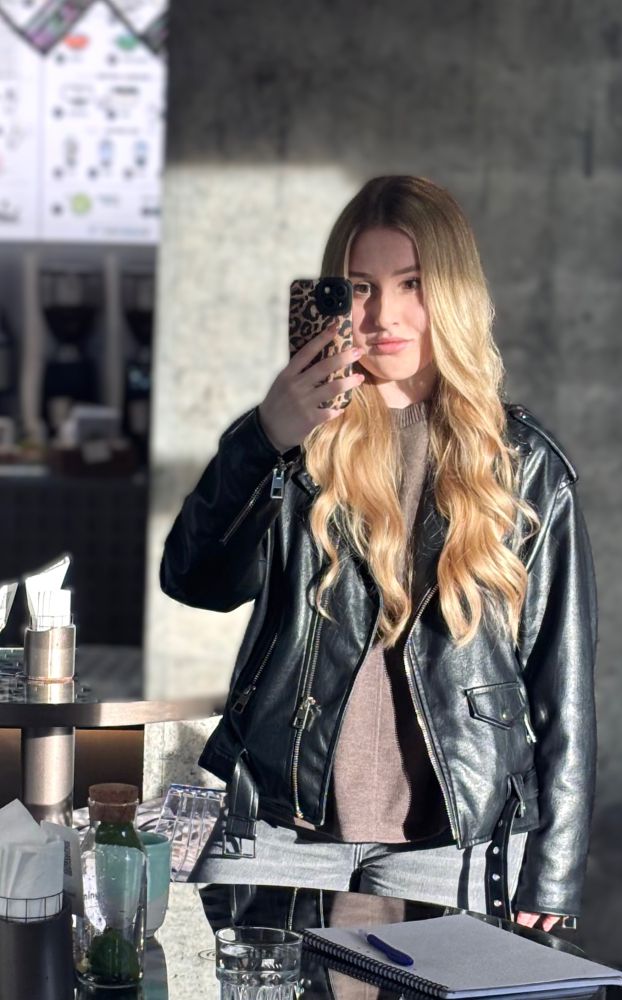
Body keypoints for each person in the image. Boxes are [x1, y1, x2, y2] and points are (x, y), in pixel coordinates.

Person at [160, 175, 597, 932]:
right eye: (360, 287)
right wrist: (265, 438)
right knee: (257, 983)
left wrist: (552, 876)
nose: (383, 315)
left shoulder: (523, 464)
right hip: (281, 826)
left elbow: (564, 686)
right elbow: (195, 579)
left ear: (452, 294)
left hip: (455, 835)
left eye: (412, 284)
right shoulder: (292, 441)